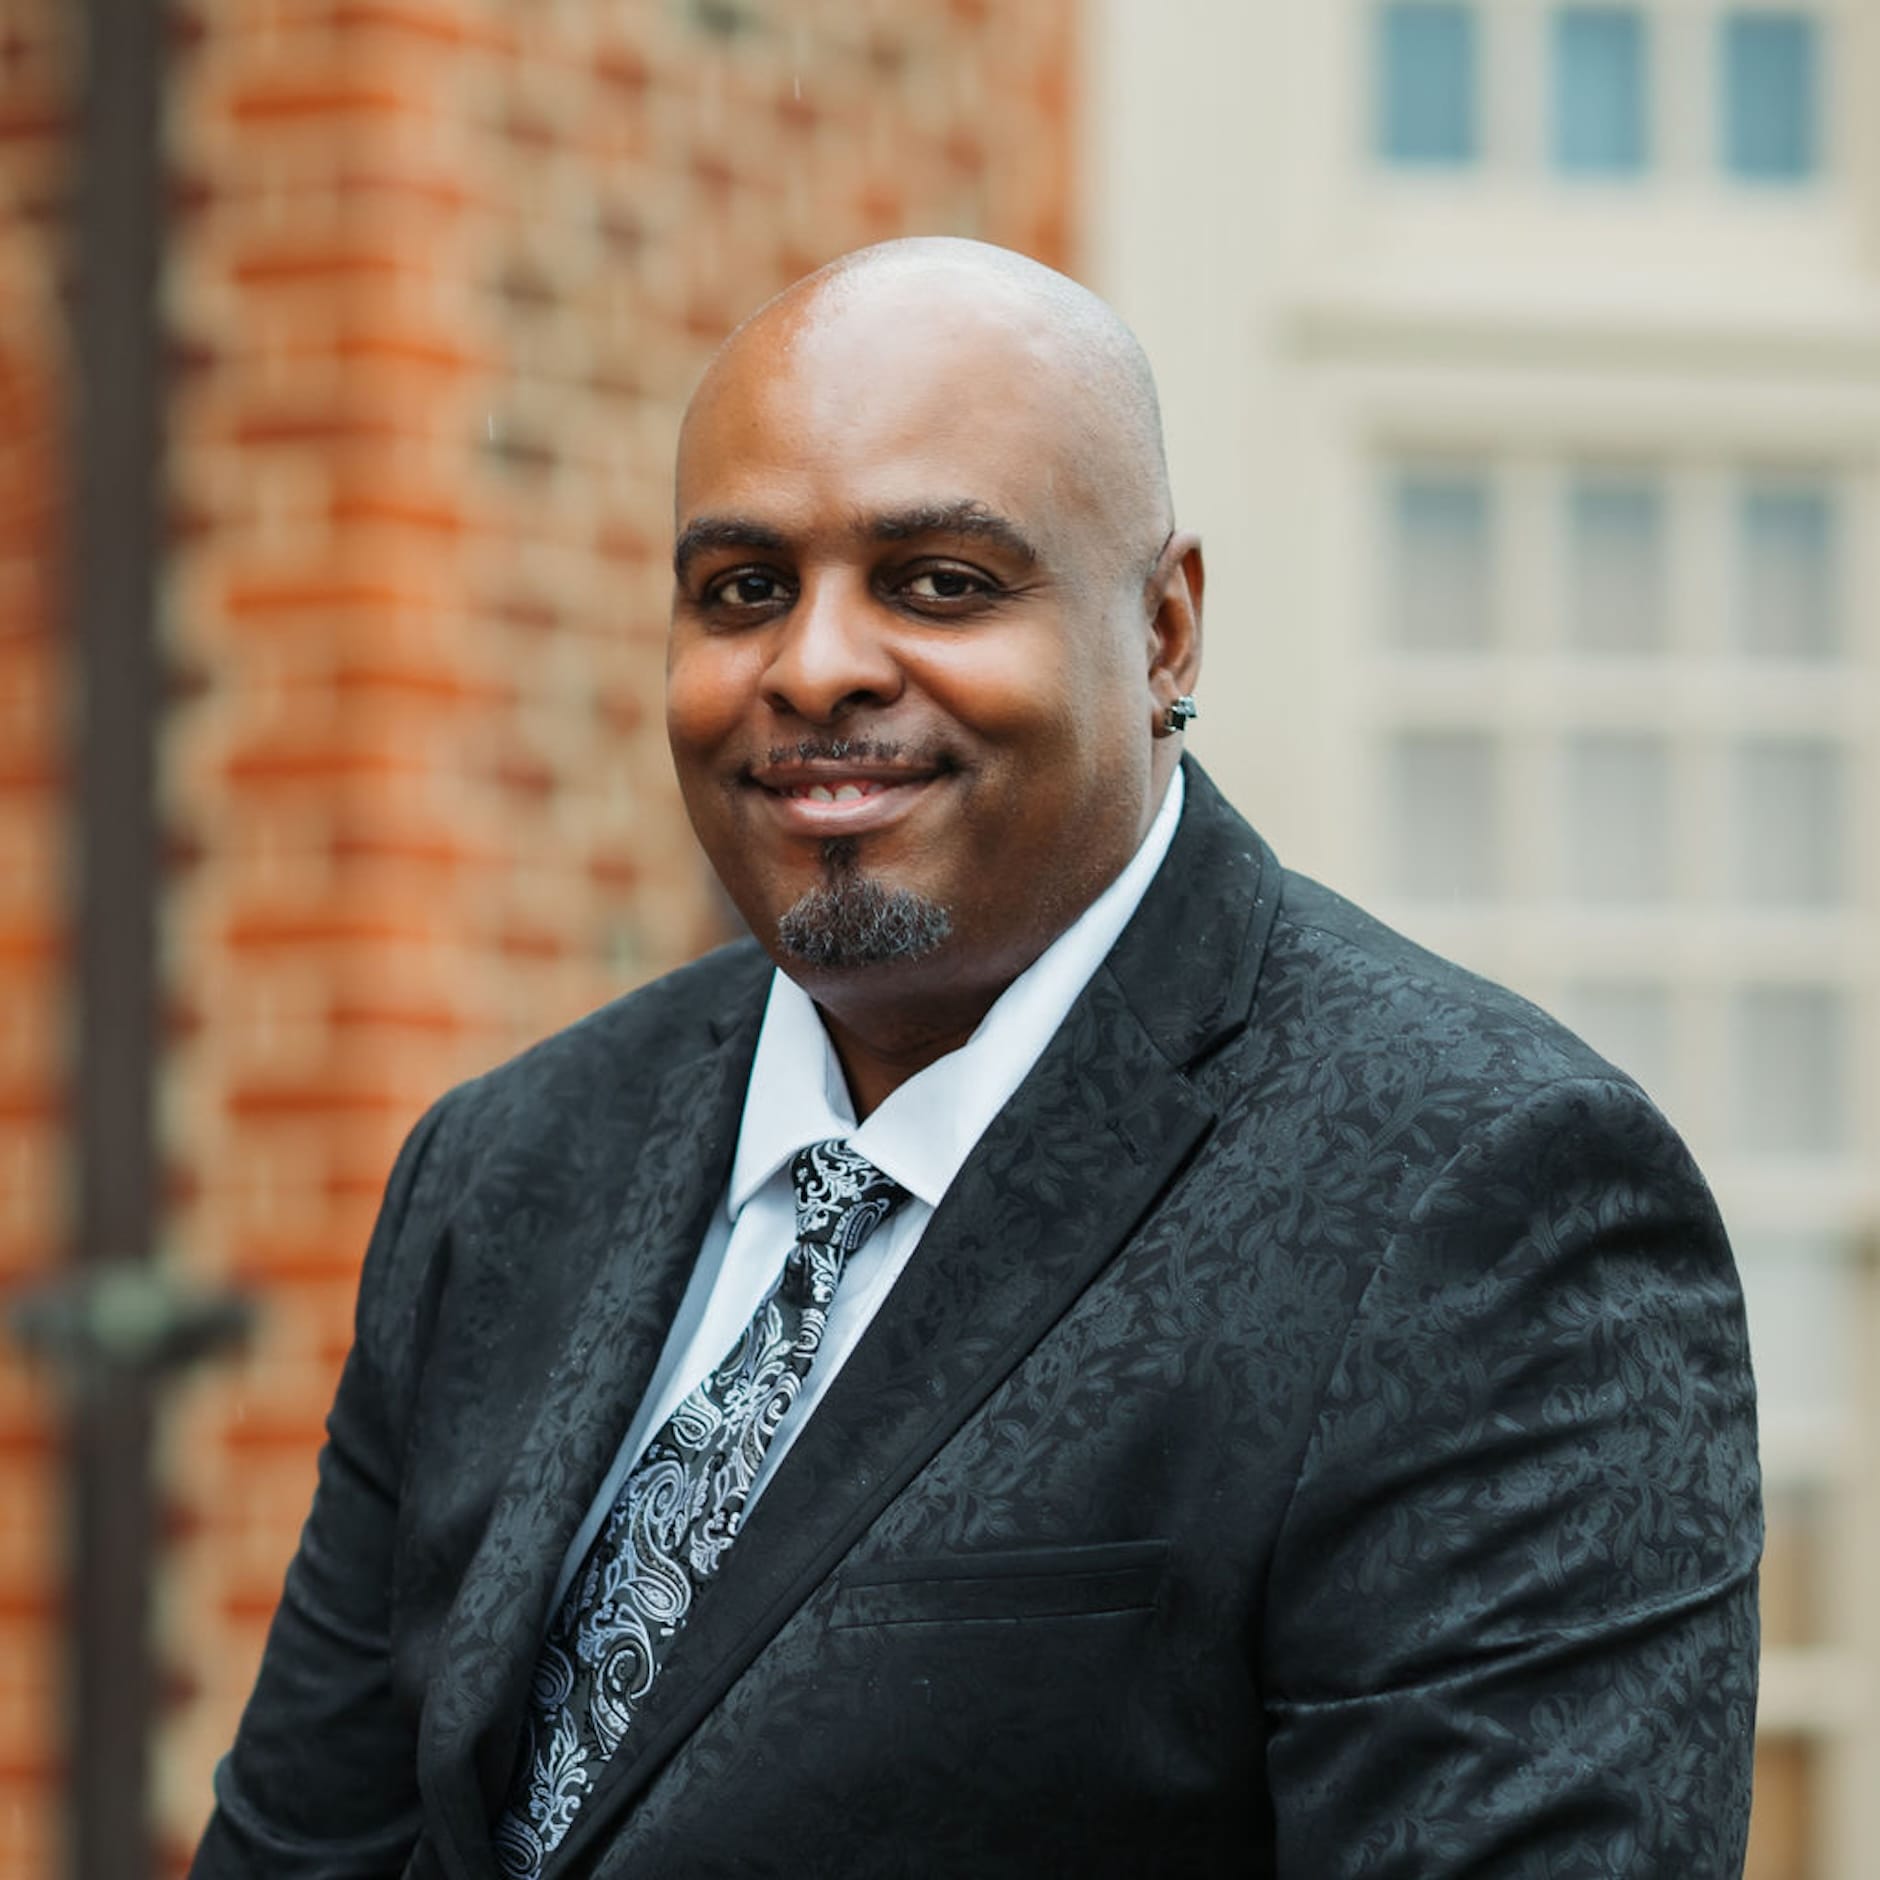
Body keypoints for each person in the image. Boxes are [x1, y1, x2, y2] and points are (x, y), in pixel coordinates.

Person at [193, 238, 1761, 1878]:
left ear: (1163, 633)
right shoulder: (506, 1168)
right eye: (742, 591)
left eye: (939, 580)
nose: (812, 667)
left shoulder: (1483, 1200)